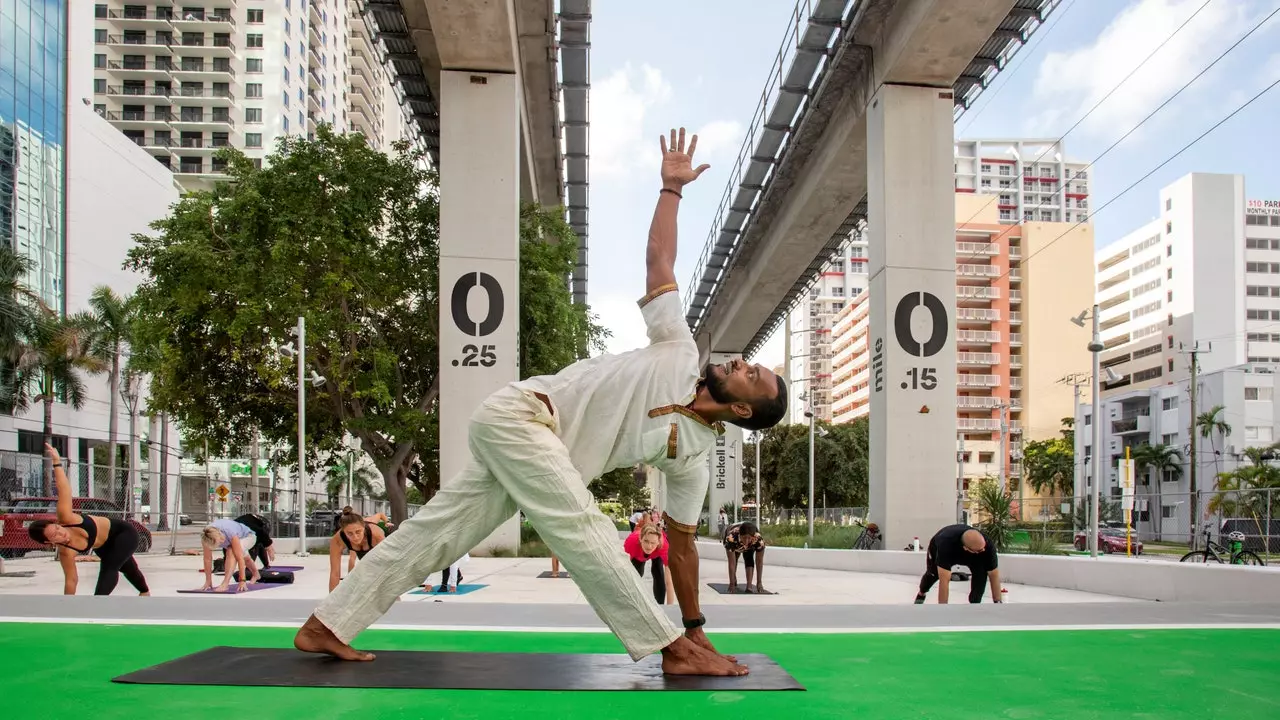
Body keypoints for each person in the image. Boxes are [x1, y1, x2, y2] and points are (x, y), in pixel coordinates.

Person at [293, 127, 788, 677]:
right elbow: (659, 261)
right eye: (748, 362)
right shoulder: (677, 347)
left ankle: (328, 624)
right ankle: (667, 649)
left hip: (534, 456)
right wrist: (671, 190)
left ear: (744, 411)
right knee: (583, 525)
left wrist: (698, 626)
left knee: (434, 537)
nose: (742, 363)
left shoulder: (693, 458)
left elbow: (683, 545)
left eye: (753, 375)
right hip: (524, 416)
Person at [26, 444, 150, 596]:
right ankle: (145, 592)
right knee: (127, 567)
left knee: (110, 566)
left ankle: (97, 604)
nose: (61, 533)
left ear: (57, 524)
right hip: (104, 546)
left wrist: (57, 462)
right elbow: (71, 580)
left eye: (58, 528)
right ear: (48, 542)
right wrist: (67, 606)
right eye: (54, 536)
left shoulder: (66, 517)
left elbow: (64, 489)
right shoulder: (66, 553)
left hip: (124, 533)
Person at [914, 524, 1003, 604]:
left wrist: (998, 603)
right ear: (966, 548)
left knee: (981, 574)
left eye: (983, 547)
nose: (983, 550)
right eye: (980, 550)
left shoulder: (987, 546)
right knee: (933, 574)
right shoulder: (945, 545)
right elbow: (944, 580)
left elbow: (994, 575)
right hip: (941, 546)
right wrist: (943, 610)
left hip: (973, 554)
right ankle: (922, 593)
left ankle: (975, 604)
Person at [329, 512, 387, 592]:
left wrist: (386, 522)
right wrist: (332, 601)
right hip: (364, 551)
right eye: (349, 533)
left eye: (358, 532)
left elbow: (387, 567)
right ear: (343, 531)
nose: (355, 537)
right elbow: (334, 573)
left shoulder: (376, 534)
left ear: (363, 527)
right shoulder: (337, 540)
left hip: (383, 546)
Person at [200, 518, 261, 593]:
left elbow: (239, 559)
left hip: (249, 536)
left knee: (231, 551)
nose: (222, 542)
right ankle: (256, 574)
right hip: (235, 539)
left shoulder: (229, 531)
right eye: (219, 543)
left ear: (220, 533)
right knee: (245, 557)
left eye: (221, 540)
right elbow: (207, 559)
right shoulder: (206, 537)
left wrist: (242, 580)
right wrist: (208, 581)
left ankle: (225, 584)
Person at [624, 522, 674, 605]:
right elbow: (624, 573)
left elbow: (669, 582)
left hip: (657, 553)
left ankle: (660, 604)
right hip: (638, 554)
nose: (649, 546)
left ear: (658, 542)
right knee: (636, 575)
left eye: (653, 543)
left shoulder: (664, 546)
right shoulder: (631, 542)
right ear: (640, 538)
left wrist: (670, 608)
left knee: (658, 572)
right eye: (646, 541)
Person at [722, 521, 767, 594]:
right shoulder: (731, 538)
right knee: (735, 558)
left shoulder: (758, 539)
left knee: (749, 558)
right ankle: (734, 579)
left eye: (749, 538)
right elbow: (731, 563)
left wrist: (759, 583)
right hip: (734, 542)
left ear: (753, 536)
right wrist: (731, 584)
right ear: (740, 535)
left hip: (751, 543)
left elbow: (759, 562)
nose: (746, 541)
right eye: (744, 538)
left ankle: (749, 586)